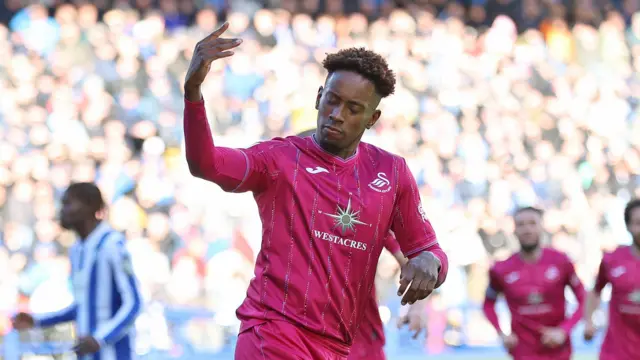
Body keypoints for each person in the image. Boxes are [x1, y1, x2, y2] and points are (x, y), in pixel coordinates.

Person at [183, 22, 448, 360]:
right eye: (332, 101)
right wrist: (193, 94)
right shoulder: (278, 158)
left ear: (372, 118)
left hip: (338, 346)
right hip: (272, 332)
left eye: (353, 109)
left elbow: (429, 251)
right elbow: (207, 165)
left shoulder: (391, 173)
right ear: (319, 97)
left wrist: (431, 263)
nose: (337, 115)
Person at [296, 129, 427, 360]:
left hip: (358, 338)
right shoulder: (288, 213)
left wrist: (418, 305)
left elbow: (414, 259)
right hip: (305, 334)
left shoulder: (358, 215)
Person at [12, 182, 142, 360]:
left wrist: (100, 339)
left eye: (69, 203)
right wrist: (37, 321)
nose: (62, 210)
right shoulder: (76, 249)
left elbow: (134, 303)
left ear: (89, 206)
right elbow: (82, 307)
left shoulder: (112, 244)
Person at [482, 206, 586, 360]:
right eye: (521, 225)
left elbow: (584, 298)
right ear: (514, 230)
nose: (527, 229)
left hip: (558, 352)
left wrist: (564, 330)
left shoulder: (561, 261)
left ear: (541, 227)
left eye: (532, 223)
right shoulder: (501, 269)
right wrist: (501, 334)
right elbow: (488, 304)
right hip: (523, 352)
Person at [583, 199, 640, 360]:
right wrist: (589, 321)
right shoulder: (611, 260)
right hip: (616, 352)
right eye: (638, 223)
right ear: (628, 227)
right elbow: (595, 291)